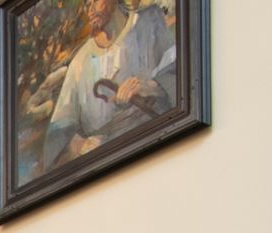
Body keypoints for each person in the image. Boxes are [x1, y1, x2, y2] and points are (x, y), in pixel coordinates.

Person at [41, 0, 177, 173]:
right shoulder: (80, 63)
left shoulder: (149, 23)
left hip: (161, 156)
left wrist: (149, 87)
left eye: (95, 1)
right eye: (86, 3)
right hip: (110, 173)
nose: (90, 9)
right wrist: (81, 146)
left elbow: (182, 77)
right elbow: (59, 134)